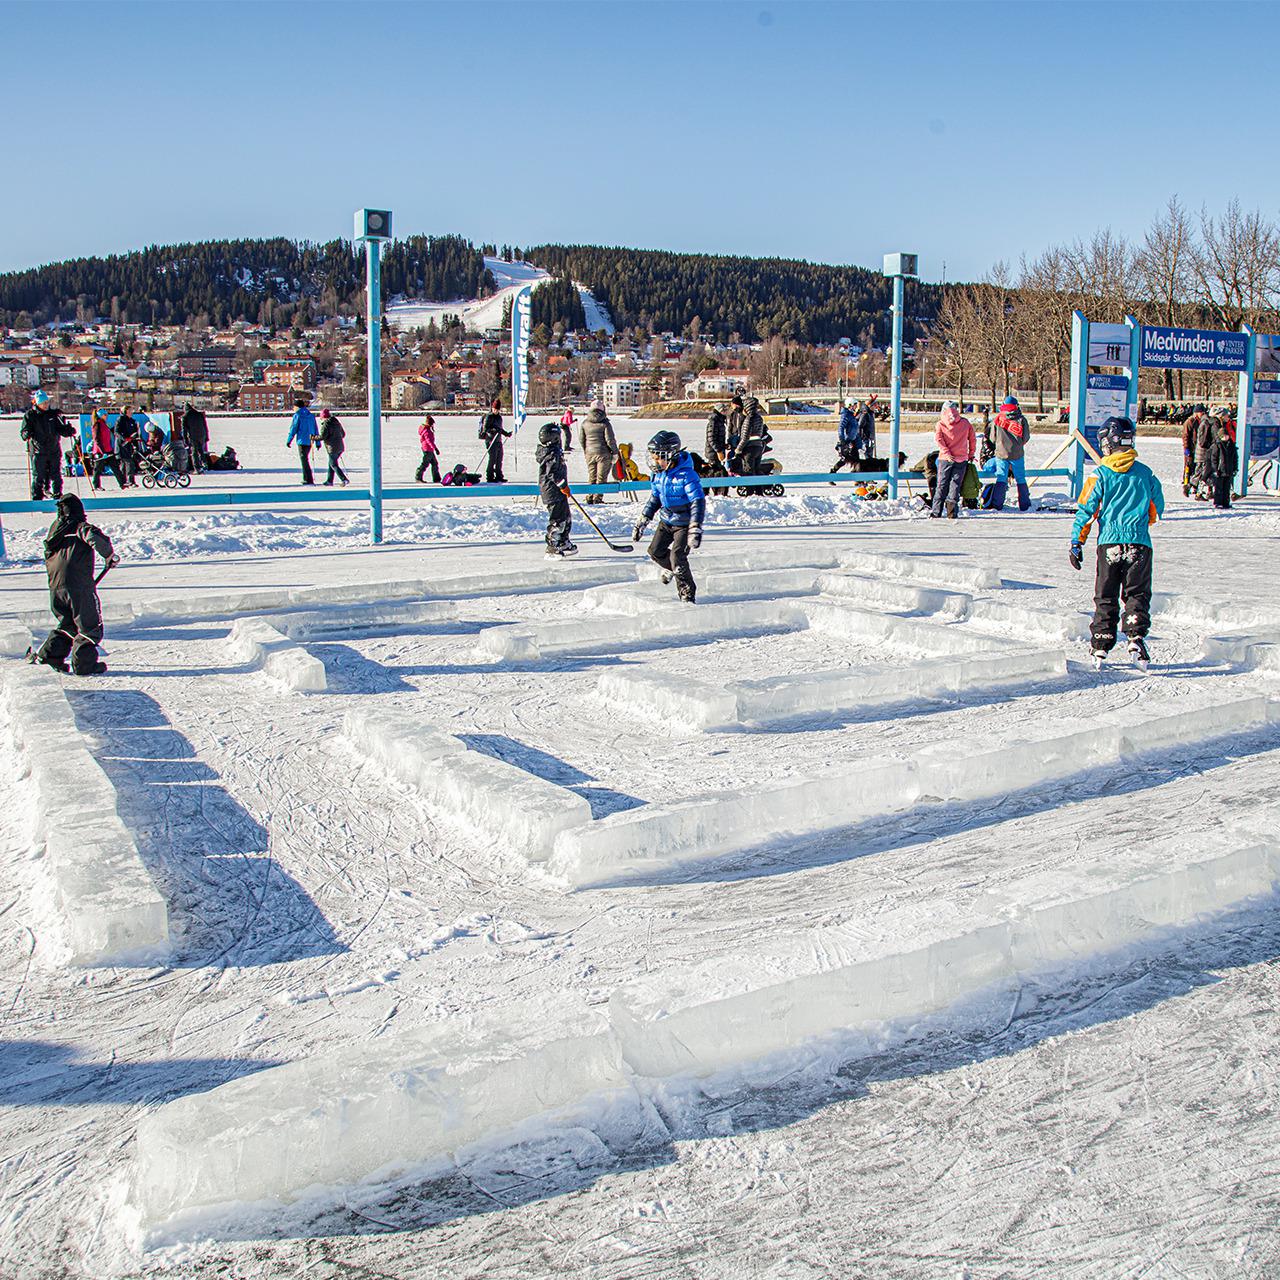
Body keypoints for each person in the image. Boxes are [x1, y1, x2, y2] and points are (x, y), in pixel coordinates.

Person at [1069, 416, 1164, 668]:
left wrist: (1077, 541)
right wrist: (1141, 523)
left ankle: (1101, 643)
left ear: (1108, 444)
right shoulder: (1145, 473)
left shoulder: (1100, 475)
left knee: (1106, 594)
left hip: (1109, 543)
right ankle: (1136, 636)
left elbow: (1086, 510)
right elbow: (1157, 508)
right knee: (1137, 593)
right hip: (1139, 544)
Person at [27, 494, 117, 676]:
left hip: (56, 587)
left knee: (67, 623)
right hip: (79, 586)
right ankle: (84, 665)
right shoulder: (79, 527)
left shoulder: (54, 532)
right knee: (89, 626)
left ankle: (49, 656)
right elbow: (95, 537)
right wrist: (109, 555)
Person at [632, 430, 705, 603]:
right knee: (655, 552)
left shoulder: (687, 475)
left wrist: (695, 527)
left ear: (671, 455)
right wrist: (643, 519)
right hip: (666, 520)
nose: (655, 462)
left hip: (684, 523)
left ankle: (687, 593)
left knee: (678, 557)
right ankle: (672, 567)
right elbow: (655, 499)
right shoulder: (658, 475)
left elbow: (698, 501)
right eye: (653, 457)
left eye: (659, 457)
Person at [20, 390, 75, 500]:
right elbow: (24, 431)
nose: (46, 405)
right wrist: (26, 433)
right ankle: (37, 498)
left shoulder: (53, 415)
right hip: (38, 451)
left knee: (56, 475)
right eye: (43, 403)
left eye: (46, 402)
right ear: (37, 403)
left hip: (53, 450)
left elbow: (60, 429)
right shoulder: (30, 415)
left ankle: (57, 495)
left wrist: (68, 430)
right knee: (38, 476)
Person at [985, 395, 1032, 511]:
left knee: (1001, 478)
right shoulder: (1022, 420)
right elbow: (1026, 437)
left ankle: (997, 504)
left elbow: (992, 438)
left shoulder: (997, 419)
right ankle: (1025, 505)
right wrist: (1018, 444)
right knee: (1021, 479)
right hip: (1017, 454)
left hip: (1001, 453)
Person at [537, 422, 577, 557]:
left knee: (566, 517)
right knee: (558, 519)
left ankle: (563, 541)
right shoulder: (551, 454)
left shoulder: (553, 451)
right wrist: (563, 486)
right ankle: (552, 545)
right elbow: (553, 474)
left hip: (557, 491)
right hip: (552, 492)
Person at [931, 401, 975, 519]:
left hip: (945, 459)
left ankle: (936, 512)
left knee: (941, 485)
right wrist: (971, 453)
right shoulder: (965, 423)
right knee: (955, 485)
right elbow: (972, 439)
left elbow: (939, 440)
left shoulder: (941, 423)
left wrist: (946, 452)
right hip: (961, 458)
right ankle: (952, 512)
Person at [578, 399, 618, 504]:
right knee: (601, 477)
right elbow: (610, 440)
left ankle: (590, 496)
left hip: (590, 453)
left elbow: (582, 439)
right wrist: (615, 452)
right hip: (603, 453)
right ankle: (597, 498)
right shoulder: (605, 423)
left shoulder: (585, 423)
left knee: (592, 475)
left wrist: (586, 450)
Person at [1206, 412, 1238, 509]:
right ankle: (1218, 502)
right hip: (1220, 470)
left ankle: (1226, 502)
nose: (1226, 437)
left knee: (1227, 488)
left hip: (1229, 469)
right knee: (1219, 488)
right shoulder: (1217, 446)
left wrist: (1235, 468)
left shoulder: (1231, 446)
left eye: (1227, 436)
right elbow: (1214, 459)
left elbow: (1235, 458)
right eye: (1224, 436)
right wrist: (1215, 469)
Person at [89, 409, 125, 491]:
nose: (106, 416)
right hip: (100, 451)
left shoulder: (103, 424)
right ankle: (96, 486)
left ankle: (122, 483)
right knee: (98, 469)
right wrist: (103, 451)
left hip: (108, 449)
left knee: (115, 467)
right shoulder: (97, 424)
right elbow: (97, 439)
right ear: (100, 415)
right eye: (105, 415)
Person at [733, 395, 768, 474]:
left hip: (749, 448)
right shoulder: (759, 418)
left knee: (748, 472)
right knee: (757, 470)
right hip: (758, 447)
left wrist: (738, 449)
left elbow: (745, 437)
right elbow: (760, 433)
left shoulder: (749, 419)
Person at [286, 398, 318, 484]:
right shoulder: (311, 416)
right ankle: (308, 478)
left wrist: (289, 440)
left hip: (301, 441)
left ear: (297, 407)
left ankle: (308, 479)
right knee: (305, 459)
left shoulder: (297, 415)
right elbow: (315, 429)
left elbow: (293, 428)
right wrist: (317, 442)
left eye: (294, 406)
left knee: (304, 460)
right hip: (310, 440)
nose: (293, 408)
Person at [479, 398, 511, 483]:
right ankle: (490, 476)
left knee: (499, 459)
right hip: (490, 440)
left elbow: (500, 429)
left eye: (497, 409)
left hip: (498, 440)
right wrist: (493, 430)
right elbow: (485, 429)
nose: (495, 411)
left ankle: (499, 476)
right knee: (492, 459)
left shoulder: (499, 417)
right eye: (494, 409)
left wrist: (506, 434)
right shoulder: (489, 416)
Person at [318, 408, 348, 486]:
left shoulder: (326, 424)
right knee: (331, 463)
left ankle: (344, 479)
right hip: (340, 446)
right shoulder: (337, 423)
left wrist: (314, 437)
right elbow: (343, 434)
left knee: (333, 464)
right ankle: (329, 480)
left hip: (332, 447)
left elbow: (323, 436)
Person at [830, 400, 861, 475]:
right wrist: (842, 440)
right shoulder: (846, 415)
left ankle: (857, 477)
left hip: (852, 441)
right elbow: (841, 427)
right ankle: (832, 472)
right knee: (845, 459)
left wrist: (858, 442)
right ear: (850, 405)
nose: (856, 407)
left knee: (856, 461)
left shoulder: (851, 415)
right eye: (855, 405)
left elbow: (854, 429)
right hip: (847, 442)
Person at [1180, 405, 1205, 496]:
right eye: (1201, 412)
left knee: (1196, 468)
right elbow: (1185, 436)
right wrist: (1186, 448)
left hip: (1197, 448)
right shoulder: (1190, 422)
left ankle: (1194, 486)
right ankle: (1186, 484)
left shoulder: (1200, 421)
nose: (1203, 414)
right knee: (1188, 466)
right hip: (1191, 448)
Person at [114, 406, 141, 486]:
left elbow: (135, 432)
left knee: (126, 463)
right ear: (125, 411)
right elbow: (116, 432)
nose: (131, 412)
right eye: (129, 410)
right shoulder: (120, 420)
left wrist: (135, 439)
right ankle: (129, 481)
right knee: (128, 462)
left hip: (129, 445)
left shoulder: (132, 421)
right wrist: (124, 438)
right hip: (122, 445)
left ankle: (124, 481)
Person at [182, 402, 210, 472]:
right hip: (202, 435)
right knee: (201, 450)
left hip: (193, 436)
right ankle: (204, 464)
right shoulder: (199, 414)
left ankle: (197, 468)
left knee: (194, 452)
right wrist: (206, 436)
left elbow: (184, 430)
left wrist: (185, 439)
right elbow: (205, 426)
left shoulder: (185, 416)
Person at [415, 413, 442, 483]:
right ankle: (418, 477)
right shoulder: (427, 431)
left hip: (429, 449)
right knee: (425, 464)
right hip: (427, 449)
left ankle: (437, 479)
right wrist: (435, 449)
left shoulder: (426, 430)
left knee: (435, 464)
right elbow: (429, 441)